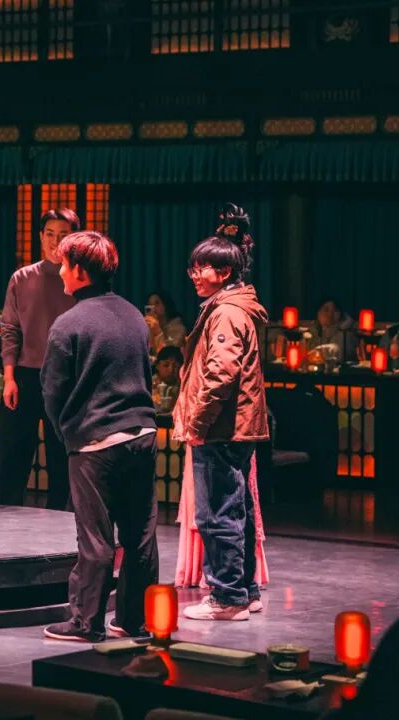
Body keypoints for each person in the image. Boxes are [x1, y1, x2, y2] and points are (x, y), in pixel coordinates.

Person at [41, 231, 158, 642]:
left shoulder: (68, 324)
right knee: (140, 534)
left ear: (80, 270)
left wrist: (67, 432)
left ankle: (85, 622)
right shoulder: (134, 315)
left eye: (64, 264)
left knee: (96, 537)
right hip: (142, 433)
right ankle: (133, 619)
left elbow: (52, 390)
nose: (60, 271)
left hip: (95, 441)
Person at [173, 203, 269, 622]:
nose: (194, 275)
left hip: (221, 428)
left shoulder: (227, 312)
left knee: (217, 514)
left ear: (225, 272)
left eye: (202, 269)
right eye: (193, 268)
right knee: (236, 510)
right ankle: (244, 591)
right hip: (234, 426)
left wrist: (197, 422)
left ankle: (227, 596)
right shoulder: (233, 307)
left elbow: (220, 374)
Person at [0, 208, 79, 511]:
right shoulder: (22, 277)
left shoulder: (81, 279)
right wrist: (9, 377)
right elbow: (10, 330)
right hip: (25, 376)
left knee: (62, 459)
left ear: (74, 238)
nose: (55, 241)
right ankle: (2, 517)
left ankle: (60, 520)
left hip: (67, 379)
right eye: (50, 234)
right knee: (11, 456)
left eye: (63, 235)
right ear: (40, 237)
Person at [306, 297, 356, 364]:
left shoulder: (345, 334)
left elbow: (341, 356)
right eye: (326, 310)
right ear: (318, 313)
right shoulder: (311, 333)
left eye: (335, 310)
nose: (330, 314)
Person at [145, 290, 187, 355]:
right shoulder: (148, 327)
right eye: (150, 305)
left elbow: (170, 354)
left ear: (165, 305)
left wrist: (158, 332)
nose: (153, 307)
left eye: (157, 303)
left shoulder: (178, 327)